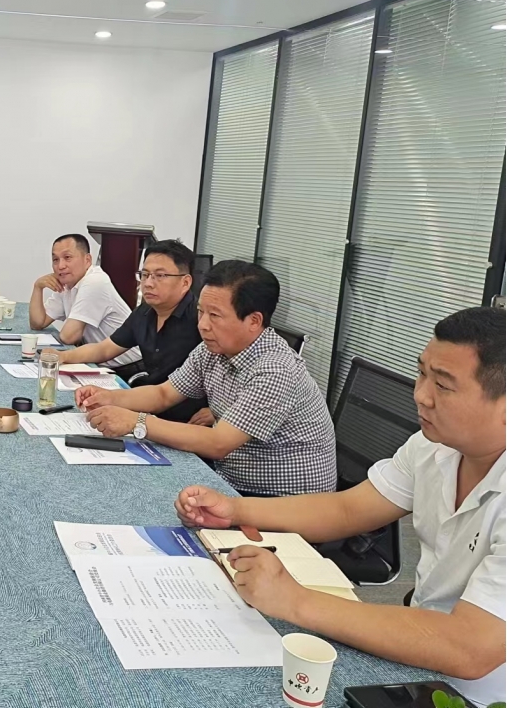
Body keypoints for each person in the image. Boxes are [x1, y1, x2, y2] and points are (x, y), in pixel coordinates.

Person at [175, 307, 506, 706]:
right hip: (415, 663)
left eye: (443, 385)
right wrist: (236, 510)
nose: (420, 395)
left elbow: (471, 647)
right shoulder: (432, 447)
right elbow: (349, 510)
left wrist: (294, 600)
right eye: (421, 373)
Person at [77, 260, 336, 497]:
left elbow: (218, 443)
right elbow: (163, 394)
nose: (202, 324)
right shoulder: (213, 349)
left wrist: (137, 422)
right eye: (201, 312)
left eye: (215, 315)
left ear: (254, 321)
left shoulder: (275, 370)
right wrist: (109, 397)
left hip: (279, 500)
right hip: (227, 477)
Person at [55, 239, 204, 421]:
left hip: (189, 418)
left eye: (160, 275)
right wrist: (62, 356)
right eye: (145, 274)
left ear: (185, 282)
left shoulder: (201, 318)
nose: (148, 283)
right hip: (149, 405)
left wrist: (215, 412)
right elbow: (105, 349)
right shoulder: (145, 312)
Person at [29, 233, 141, 371]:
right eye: (55, 260)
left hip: (128, 369)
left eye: (67, 257)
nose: (60, 266)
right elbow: (37, 323)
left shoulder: (95, 282)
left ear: (87, 260)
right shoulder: (67, 283)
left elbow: (69, 337)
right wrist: (38, 287)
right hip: (99, 364)